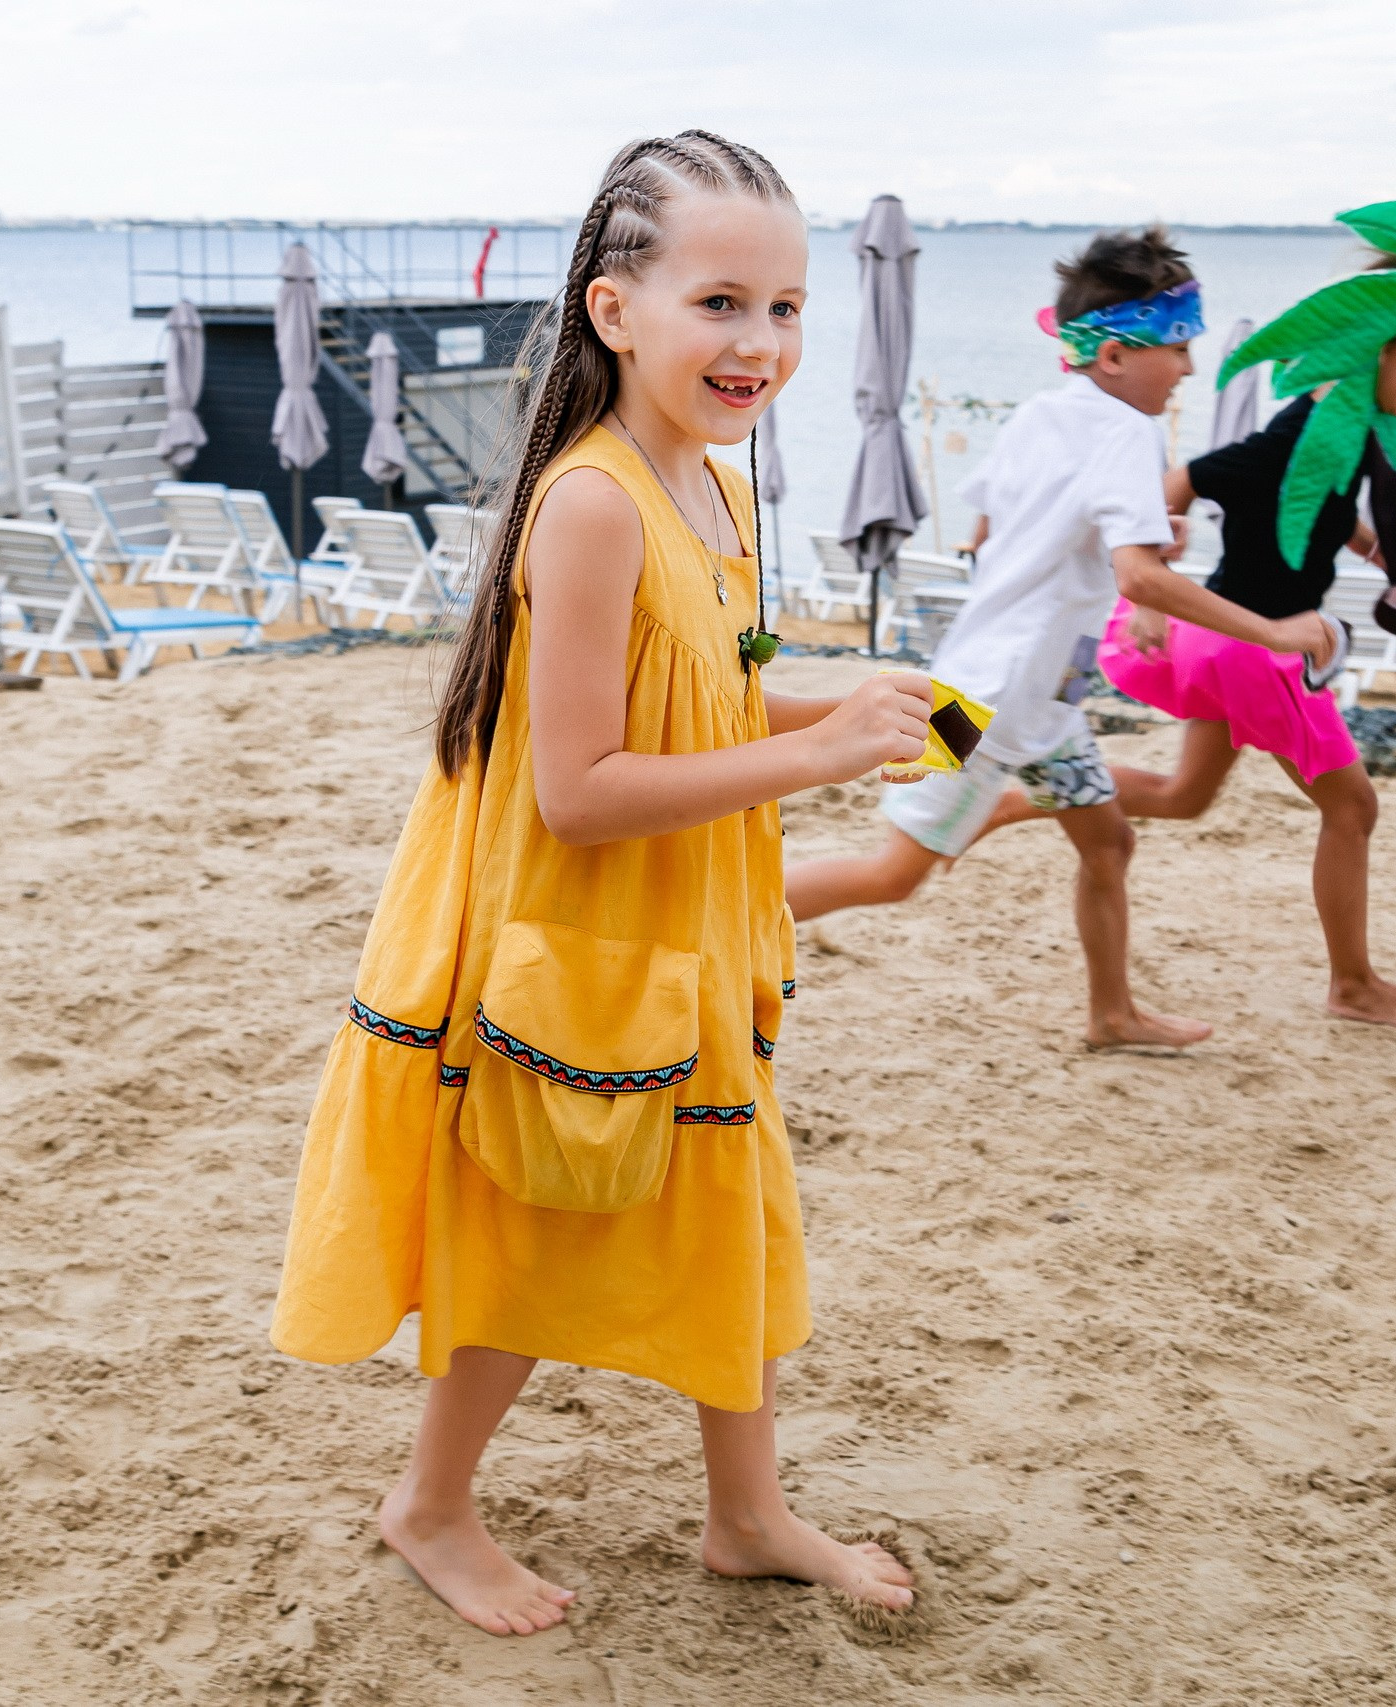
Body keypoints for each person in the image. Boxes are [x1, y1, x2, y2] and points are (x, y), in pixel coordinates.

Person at [272, 131, 932, 1638]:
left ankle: (747, 1510)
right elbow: (582, 788)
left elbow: (693, 701)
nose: (758, 341)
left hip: (683, 931)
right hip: (573, 934)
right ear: (613, 309)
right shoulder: (592, 504)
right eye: (720, 302)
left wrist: (845, 701)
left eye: (785, 307)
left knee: (730, 1206)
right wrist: (819, 753)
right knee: (537, 1224)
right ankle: (430, 1502)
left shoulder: (713, 487)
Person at [783, 227, 1335, 1049]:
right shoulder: (1123, 431)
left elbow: (989, 526)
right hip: (989, 701)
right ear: (1114, 355)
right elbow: (1139, 578)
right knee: (892, 874)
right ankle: (706, 920)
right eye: (1177, 349)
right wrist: (1273, 631)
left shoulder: (1044, 414)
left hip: (1049, 698)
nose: (1187, 370)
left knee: (1109, 839)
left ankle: (1112, 1015)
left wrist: (1124, 539)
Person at [1081, 201, 1396, 1032]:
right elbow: (1179, 483)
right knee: (1353, 807)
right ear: (1375, 351)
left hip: (1229, 641)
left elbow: (1317, 512)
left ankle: (1048, 787)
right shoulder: (1302, 432)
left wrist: (1377, 552)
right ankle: (1355, 985)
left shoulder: (1344, 432)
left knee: (1186, 796)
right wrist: (1142, 578)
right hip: (1255, 643)